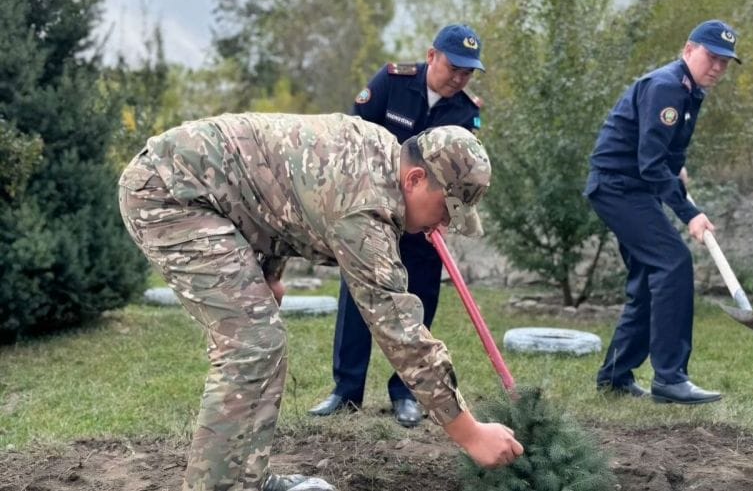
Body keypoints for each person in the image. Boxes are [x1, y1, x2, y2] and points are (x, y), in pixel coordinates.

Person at [118, 112, 523, 491]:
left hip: (202, 191)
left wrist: (269, 274)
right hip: (170, 195)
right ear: (416, 179)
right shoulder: (365, 209)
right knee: (253, 346)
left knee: (262, 344)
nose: (444, 224)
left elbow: (278, 190)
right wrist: (471, 434)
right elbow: (400, 331)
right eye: (446, 210)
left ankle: (243, 478)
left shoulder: (383, 152)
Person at [308, 24, 485, 427]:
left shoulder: (467, 112)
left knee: (418, 301)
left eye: (468, 72)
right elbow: (352, 137)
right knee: (358, 296)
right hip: (373, 214)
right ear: (431, 56)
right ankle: (346, 390)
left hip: (424, 225)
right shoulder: (392, 83)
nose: (459, 78)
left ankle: (406, 393)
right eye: (454, 67)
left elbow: (464, 173)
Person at [584, 19, 741, 405]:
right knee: (673, 262)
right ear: (689, 49)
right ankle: (671, 378)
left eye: (725, 61)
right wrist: (690, 214)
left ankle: (615, 377)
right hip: (619, 188)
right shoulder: (668, 86)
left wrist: (678, 174)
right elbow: (651, 164)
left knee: (647, 278)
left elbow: (664, 156)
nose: (718, 66)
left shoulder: (689, 91)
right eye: (712, 56)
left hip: (631, 187)